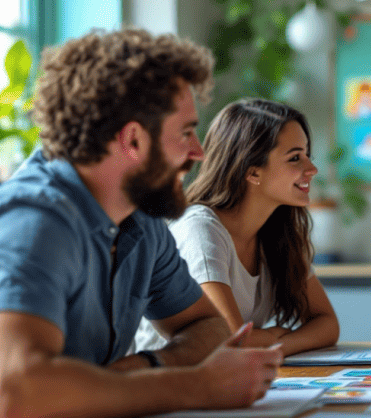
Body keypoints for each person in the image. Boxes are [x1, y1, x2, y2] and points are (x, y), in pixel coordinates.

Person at [0, 29, 283, 418]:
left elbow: (209, 328)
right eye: (186, 133)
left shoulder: (139, 218)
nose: (197, 153)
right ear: (133, 140)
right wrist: (197, 385)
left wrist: (146, 366)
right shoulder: (31, 223)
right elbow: (14, 399)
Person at [134, 99, 339, 354]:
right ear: (253, 172)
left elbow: (328, 324)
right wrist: (274, 336)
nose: (312, 169)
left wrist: (272, 343)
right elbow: (232, 341)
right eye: (295, 158)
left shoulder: (278, 232)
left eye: (307, 155)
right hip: (170, 376)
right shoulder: (201, 231)